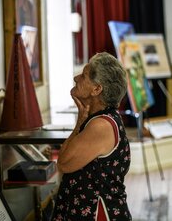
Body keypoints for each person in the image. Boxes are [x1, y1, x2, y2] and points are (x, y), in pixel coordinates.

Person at [51, 52, 132, 220]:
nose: (76, 78)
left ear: (97, 89)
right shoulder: (99, 119)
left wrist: (80, 121)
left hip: (98, 213)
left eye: (83, 76)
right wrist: (81, 120)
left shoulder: (100, 126)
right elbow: (66, 157)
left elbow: (64, 163)